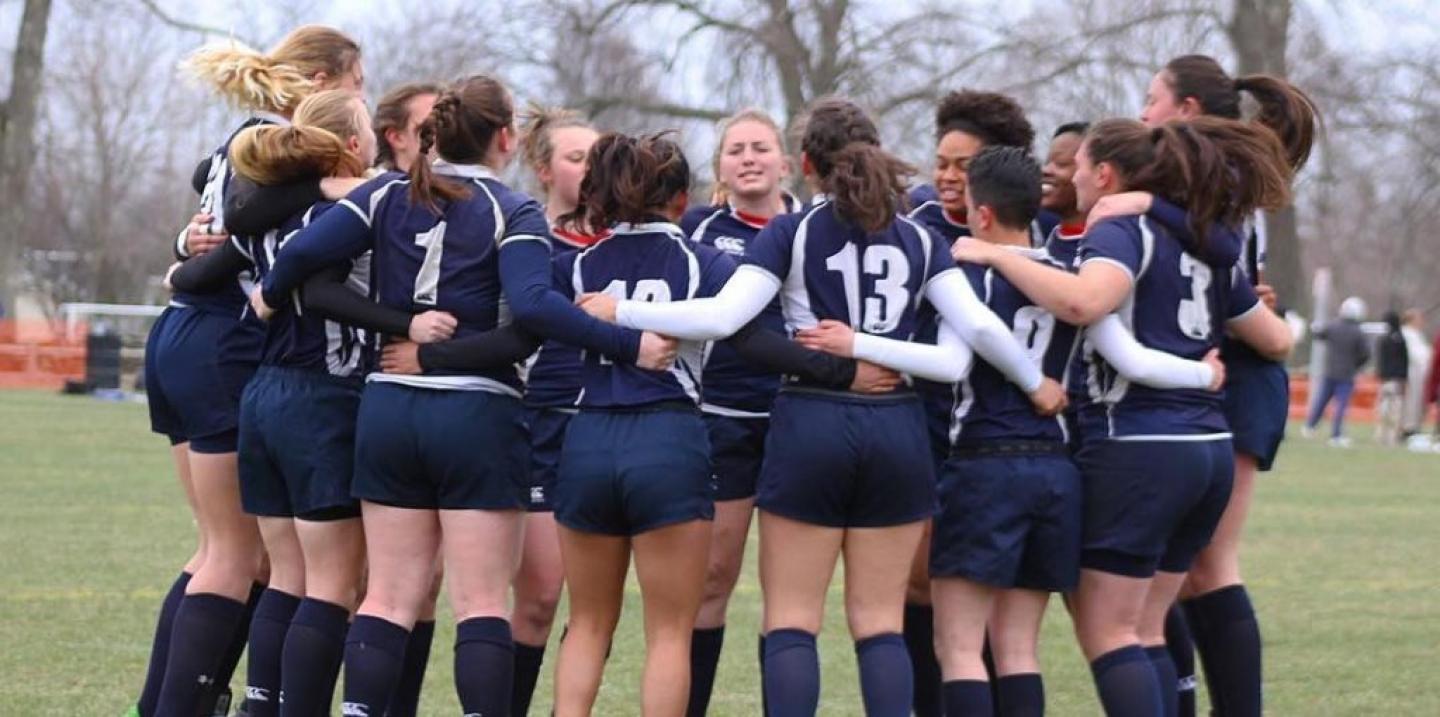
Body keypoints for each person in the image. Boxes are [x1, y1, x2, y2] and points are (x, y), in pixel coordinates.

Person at [575, 97, 1065, 716]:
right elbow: (962, 355)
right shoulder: (919, 236)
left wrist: (624, 311)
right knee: (880, 624)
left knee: (792, 621)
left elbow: (724, 318)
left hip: (812, 423)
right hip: (897, 427)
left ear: (806, 164)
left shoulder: (794, 229)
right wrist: (1035, 382)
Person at [253, 74, 672, 717]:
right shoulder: (515, 210)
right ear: (505, 136)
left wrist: (269, 296)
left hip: (390, 408)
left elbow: (303, 251)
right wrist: (630, 345)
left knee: (387, 598)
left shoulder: (388, 193)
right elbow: (533, 309)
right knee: (480, 603)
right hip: (476, 411)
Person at [952, 116, 1296, 716]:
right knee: (1146, 629)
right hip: (1209, 445)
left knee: (1110, 633)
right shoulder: (1202, 237)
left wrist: (994, 256)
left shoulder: (1119, 231)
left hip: (1139, 444)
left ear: (1104, 174)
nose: (1071, 176)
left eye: (1079, 165)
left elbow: (1084, 302)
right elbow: (1276, 339)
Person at [922, 145, 1225, 717]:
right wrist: (1203, 374)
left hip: (984, 464)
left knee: (959, 649)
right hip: (1056, 473)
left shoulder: (964, 276)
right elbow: (1132, 358)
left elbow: (956, 360)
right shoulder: (1067, 279)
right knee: (1018, 649)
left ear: (980, 213)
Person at [137, 25, 363, 717]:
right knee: (241, 556)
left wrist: (184, 248)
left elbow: (209, 193)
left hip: (181, 331)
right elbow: (240, 215)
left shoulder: (250, 137)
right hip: (221, 342)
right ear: (323, 82)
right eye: (357, 81)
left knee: (220, 548)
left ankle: (161, 704)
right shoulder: (281, 148)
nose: (361, 98)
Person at [1091, 53, 1319, 717]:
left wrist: (1144, 204)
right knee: (1180, 573)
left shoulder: (1213, 176)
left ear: (1187, 109)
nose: (1143, 111)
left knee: (1208, 567)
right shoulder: (1195, 180)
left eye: (1152, 97)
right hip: (1216, 372)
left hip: (1237, 375)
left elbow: (1222, 260)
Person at [902, 91, 1040, 714]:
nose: (947, 177)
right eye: (941, 162)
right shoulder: (913, 223)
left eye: (963, 165)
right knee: (918, 583)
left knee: (977, 600)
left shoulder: (1026, 242)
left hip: (990, 442)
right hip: (919, 424)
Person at [679, 108, 806, 716]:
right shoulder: (699, 228)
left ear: (786, 160)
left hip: (799, 419)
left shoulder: (814, 227)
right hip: (722, 418)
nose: (749, 158)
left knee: (790, 595)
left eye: (761, 147)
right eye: (736, 149)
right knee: (712, 578)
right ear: (720, 167)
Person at [509, 104, 604, 716]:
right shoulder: (524, 239)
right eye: (576, 158)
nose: (591, 169)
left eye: (598, 157)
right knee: (541, 595)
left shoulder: (630, 242)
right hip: (540, 426)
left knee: (596, 606)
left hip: (611, 431)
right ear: (544, 170)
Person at [1304, 297, 1371, 447]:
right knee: (1341, 405)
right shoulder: (1358, 332)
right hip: (1346, 374)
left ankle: (1310, 426)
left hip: (1330, 371)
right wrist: (1356, 365)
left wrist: (1314, 325)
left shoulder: (1334, 326)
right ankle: (1336, 434)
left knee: (1321, 401)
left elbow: (1318, 334)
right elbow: (1366, 354)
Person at [1375, 311, 1410, 446]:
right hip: (1395, 380)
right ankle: (1390, 437)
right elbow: (1404, 361)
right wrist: (1404, 378)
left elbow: (1381, 360)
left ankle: (1382, 436)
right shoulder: (1400, 340)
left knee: (1385, 409)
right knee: (1394, 410)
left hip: (1387, 379)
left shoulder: (1384, 339)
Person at [1400, 310, 1431, 437]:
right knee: (1410, 402)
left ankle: (1415, 426)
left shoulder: (1417, 334)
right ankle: (1408, 428)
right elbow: (1417, 355)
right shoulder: (1407, 334)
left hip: (1420, 374)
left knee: (1418, 402)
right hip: (1412, 373)